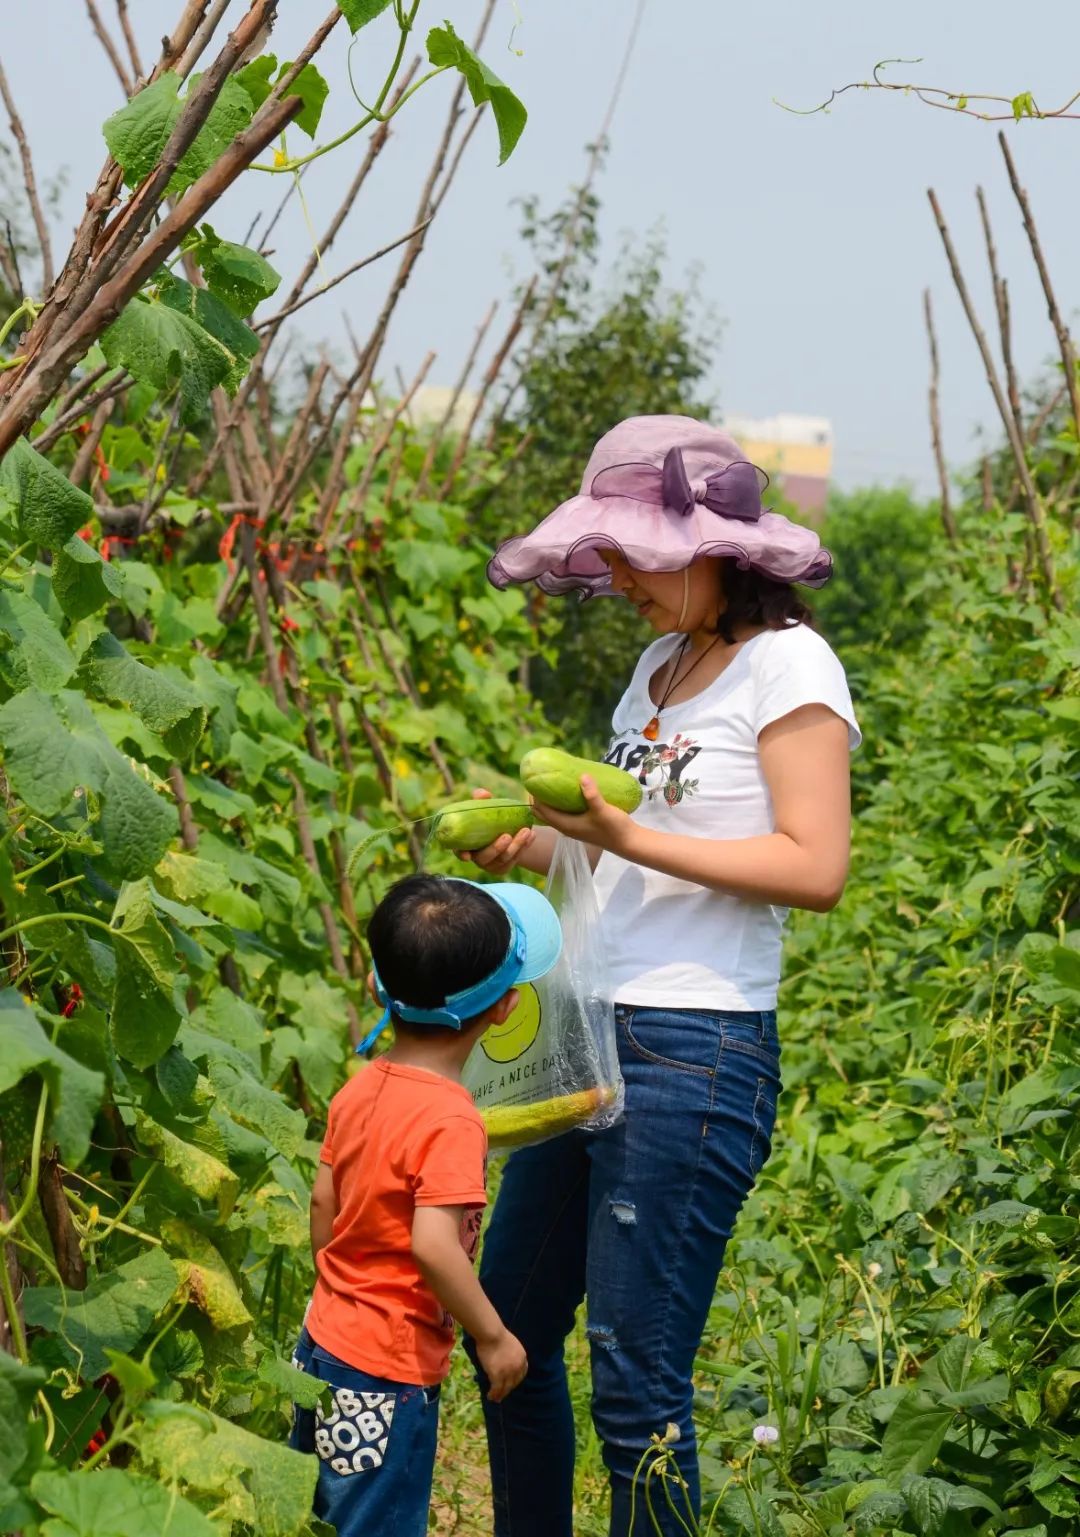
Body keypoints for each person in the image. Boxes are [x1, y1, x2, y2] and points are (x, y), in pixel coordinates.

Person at [460, 415, 862, 1537]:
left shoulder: (791, 666)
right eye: (613, 552)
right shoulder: (657, 666)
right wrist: (537, 843)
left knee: (637, 1392)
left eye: (639, 551)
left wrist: (622, 840)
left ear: (714, 547)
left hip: (695, 1047)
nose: (622, 577)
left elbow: (813, 865)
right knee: (506, 1335)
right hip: (591, 1029)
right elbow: (622, 845)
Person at [289, 873, 563, 1537]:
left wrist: (345, 1285)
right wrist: (493, 1335)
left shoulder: (360, 1086)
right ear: (505, 1008)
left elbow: (324, 1204)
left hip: (321, 1343)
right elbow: (434, 1245)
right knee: (373, 1521)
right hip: (386, 1368)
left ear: (380, 988)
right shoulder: (451, 1121)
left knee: (321, 1510)